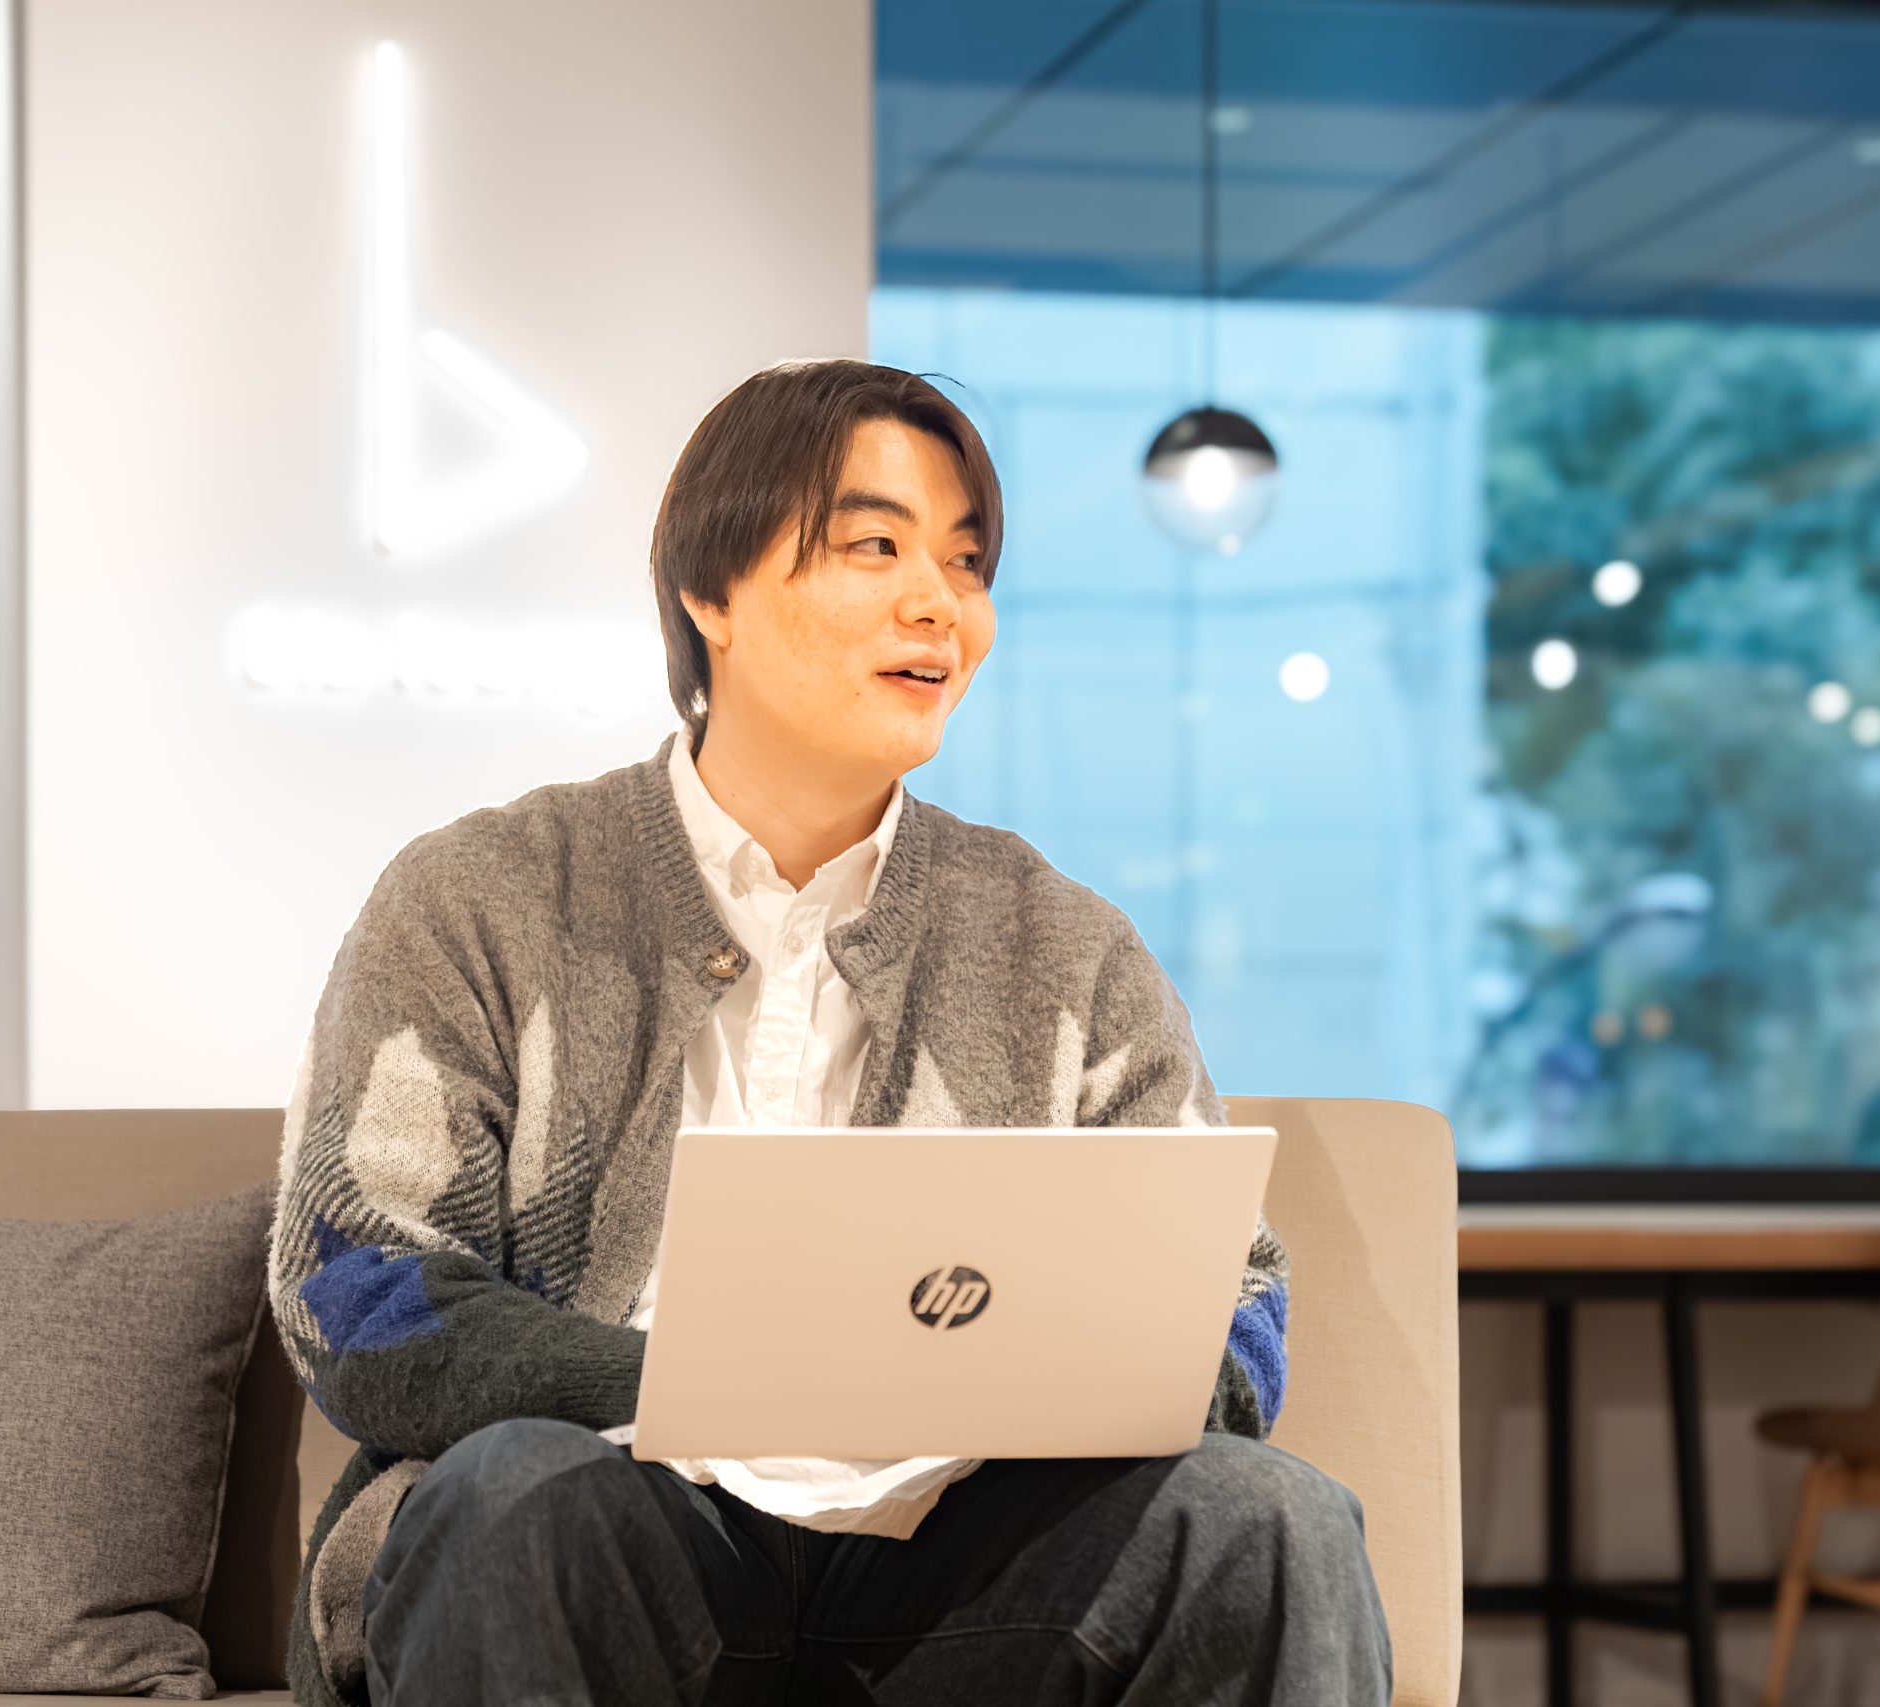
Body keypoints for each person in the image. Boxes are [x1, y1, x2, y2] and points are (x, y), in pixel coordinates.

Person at [267, 360, 1392, 1706]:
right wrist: (702, 1383)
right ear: (711, 592)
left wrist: (1010, 1388)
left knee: (1275, 1522)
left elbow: (1236, 1302)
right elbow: (355, 1286)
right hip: (613, 1529)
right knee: (514, 1495)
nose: (939, 604)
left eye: (965, 562)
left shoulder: (1062, 940)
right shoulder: (482, 895)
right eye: (875, 547)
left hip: (970, 1570)